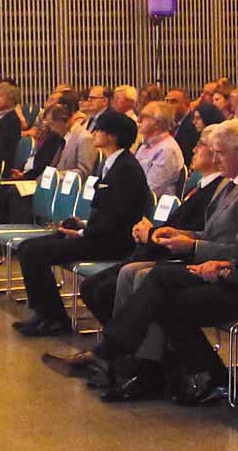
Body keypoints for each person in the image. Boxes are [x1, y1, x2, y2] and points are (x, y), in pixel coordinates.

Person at [91, 138, 238, 404]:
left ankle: (124, 353)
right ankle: (133, 354)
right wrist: (222, 267)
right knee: (161, 278)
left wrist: (226, 274)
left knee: (171, 302)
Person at [14, 112, 150, 337]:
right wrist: (82, 224)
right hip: (98, 234)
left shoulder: (125, 168)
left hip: (113, 242)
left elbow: (119, 218)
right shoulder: (112, 164)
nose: (94, 133)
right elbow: (107, 213)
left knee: (35, 253)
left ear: (113, 136)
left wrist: (83, 232)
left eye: (99, 130)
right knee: (27, 247)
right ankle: (44, 314)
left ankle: (54, 319)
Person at [135, 101, 187, 199]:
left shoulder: (167, 150)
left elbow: (151, 189)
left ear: (157, 124)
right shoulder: (144, 146)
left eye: (145, 117)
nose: (139, 120)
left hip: (154, 208)